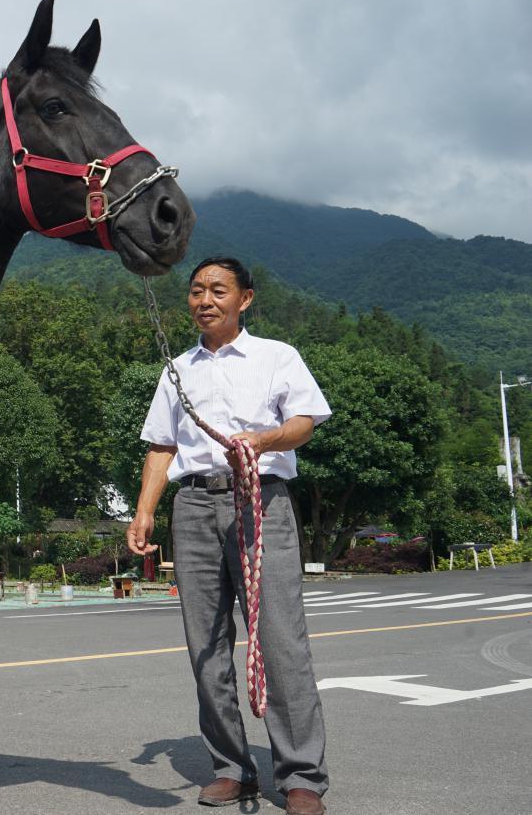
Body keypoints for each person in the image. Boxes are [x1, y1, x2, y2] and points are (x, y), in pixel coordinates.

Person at [128, 257, 331, 815]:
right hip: (192, 504)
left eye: (218, 290)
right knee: (206, 645)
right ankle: (232, 768)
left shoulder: (276, 357)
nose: (204, 299)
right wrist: (145, 511)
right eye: (196, 291)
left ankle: (301, 777)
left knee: (280, 640)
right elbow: (161, 447)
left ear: (245, 299)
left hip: (260, 498)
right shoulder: (178, 369)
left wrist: (264, 439)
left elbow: (305, 423)